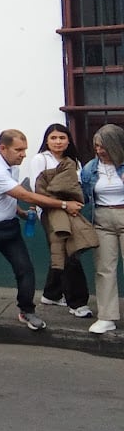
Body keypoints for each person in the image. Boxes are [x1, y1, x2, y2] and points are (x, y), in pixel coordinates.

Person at [0, 130, 81, 348]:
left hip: (8, 227)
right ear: (2, 148)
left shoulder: (12, 164)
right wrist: (65, 205)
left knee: (25, 269)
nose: (23, 155)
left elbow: (5, 197)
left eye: (24, 149)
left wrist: (19, 213)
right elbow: (25, 195)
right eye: (19, 150)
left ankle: (26, 311)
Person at [31, 124, 96, 318]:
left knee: (60, 250)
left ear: (68, 140)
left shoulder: (74, 161)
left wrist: (74, 204)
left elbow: (80, 186)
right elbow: (38, 190)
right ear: (46, 140)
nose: (58, 141)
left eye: (62, 137)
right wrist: (64, 204)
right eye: (53, 138)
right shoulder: (40, 159)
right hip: (51, 212)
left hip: (72, 211)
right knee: (70, 251)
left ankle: (52, 294)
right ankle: (78, 302)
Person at [83, 125, 124, 334]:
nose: (100, 150)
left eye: (104, 146)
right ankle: (107, 317)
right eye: (97, 146)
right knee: (104, 269)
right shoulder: (90, 168)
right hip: (101, 219)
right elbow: (83, 196)